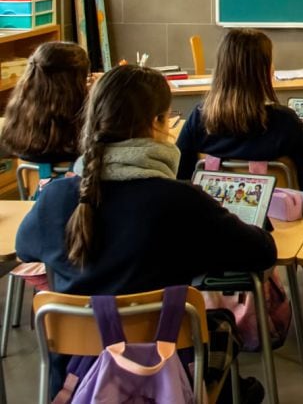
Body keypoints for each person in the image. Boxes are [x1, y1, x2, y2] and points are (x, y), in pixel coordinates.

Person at [16, 65, 276, 401]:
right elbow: (261, 252)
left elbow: (24, 248)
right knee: (218, 323)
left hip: (75, 379)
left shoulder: (56, 198)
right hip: (167, 375)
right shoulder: (182, 202)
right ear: (157, 123)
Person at [177, 28, 303, 190]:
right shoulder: (285, 122)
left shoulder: (199, 117)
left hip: (212, 211)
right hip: (277, 214)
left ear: (221, 70)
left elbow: (180, 177)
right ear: (263, 71)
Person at [0, 41, 90, 165]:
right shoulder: (76, 113)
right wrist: (99, 94)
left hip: (31, 178)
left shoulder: (21, 107)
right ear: (74, 84)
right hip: (74, 177)